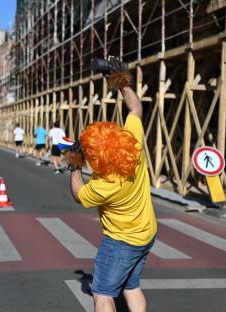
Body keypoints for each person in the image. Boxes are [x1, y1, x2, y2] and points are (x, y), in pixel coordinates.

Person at [66, 58, 157, 312]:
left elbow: (78, 195)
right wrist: (120, 81)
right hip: (146, 233)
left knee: (102, 293)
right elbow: (136, 108)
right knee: (131, 286)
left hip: (121, 241)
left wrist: (74, 164)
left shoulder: (104, 183)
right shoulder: (132, 143)